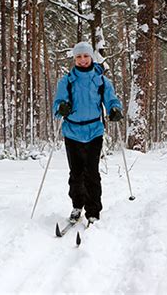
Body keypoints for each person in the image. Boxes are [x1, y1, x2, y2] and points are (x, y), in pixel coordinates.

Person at [53, 41, 123, 225]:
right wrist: (62, 107)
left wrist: (115, 109)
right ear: (74, 59)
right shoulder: (67, 81)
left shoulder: (101, 80)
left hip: (94, 132)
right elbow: (57, 104)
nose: (82, 60)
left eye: (85, 56)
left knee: (92, 173)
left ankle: (93, 211)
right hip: (72, 132)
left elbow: (111, 99)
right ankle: (77, 205)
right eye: (78, 57)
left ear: (91, 57)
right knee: (76, 173)